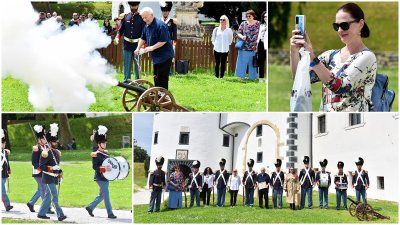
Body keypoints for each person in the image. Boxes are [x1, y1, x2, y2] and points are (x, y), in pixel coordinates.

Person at [290, 3, 376, 112]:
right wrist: (293, 51)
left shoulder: (367, 57)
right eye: (336, 26)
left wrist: (311, 56)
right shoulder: (330, 55)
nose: (340, 30)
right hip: (326, 121)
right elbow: (299, 78)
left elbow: (340, 86)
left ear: (360, 24)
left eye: (344, 25)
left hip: (350, 122)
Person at [135, 7, 174, 90]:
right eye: (143, 18)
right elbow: (143, 38)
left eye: (146, 17)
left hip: (165, 56)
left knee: (162, 78)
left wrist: (151, 48)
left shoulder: (160, 25)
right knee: (156, 77)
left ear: (151, 15)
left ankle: (164, 97)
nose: (144, 19)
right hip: (156, 56)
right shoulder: (146, 26)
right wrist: (138, 48)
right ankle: (158, 95)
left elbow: (163, 41)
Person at [85, 126, 117, 219]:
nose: (105, 144)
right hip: (99, 177)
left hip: (106, 177)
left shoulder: (106, 153)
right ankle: (110, 213)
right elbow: (94, 166)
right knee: (106, 194)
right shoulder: (95, 153)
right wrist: (104, 169)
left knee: (102, 195)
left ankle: (90, 207)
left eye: (105, 142)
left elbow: (108, 164)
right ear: (99, 144)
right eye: (103, 142)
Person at [37, 123, 66, 221]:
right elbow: (42, 166)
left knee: (48, 196)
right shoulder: (45, 153)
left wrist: (59, 172)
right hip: (48, 177)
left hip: (54, 177)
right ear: (49, 142)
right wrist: (52, 169)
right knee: (54, 196)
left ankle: (41, 213)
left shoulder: (56, 152)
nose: (55, 142)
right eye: (53, 141)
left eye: (56, 140)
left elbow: (57, 165)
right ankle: (60, 214)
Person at [114, 2, 145, 82]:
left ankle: (138, 83)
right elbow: (120, 30)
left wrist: (143, 46)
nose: (133, 7)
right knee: (126, 65)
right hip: (127, 45)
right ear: (130, 6)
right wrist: (117, 37)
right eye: (132, 5)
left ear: (137, 6)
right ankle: (126, 82)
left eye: (135, 5)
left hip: (137, 46)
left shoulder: (141, 17)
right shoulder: (125, 16)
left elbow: (144, 33)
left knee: (137, 66)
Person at [27, 125, 54, 214]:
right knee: (44, 189)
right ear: (39, 140)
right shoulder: (36, 149)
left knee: (41, 189)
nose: (45, 140)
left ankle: (31, 203)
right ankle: (47, 208)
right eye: (43, 138)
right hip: (38, 172)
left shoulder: (45, 148)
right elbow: (34, 162)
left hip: (45, 172)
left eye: (45, 138)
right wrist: (42, 169)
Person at [235, 10, 261, 81]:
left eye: (249, 16)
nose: (248, 17)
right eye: (246, 16)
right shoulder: (243, 24)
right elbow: (239, 33)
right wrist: (242, 37)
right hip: (244, 47)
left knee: (253, 63)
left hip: (254, 47)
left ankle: (253, 77)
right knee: (242, 62)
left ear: (253, 16)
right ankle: (241, 77)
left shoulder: (258, 23)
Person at [211, 15, 233, 79]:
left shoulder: (229, 30)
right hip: (217, 48)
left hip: (225, 49)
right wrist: (215, 45)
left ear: (226, 21)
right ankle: (216, 76)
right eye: (220, 19)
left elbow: (230, 40)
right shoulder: (216, 29)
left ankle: (221, 76)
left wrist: (226, 44)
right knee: (217, 63)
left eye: (223, 20)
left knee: (223, 63)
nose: (221, 21)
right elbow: (213, 38)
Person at [1, 129, 13, 211]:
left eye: (4, 143)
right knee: (2, 191)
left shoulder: (5, 152)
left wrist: (9, 169)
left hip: (4, 173)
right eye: (2, 143)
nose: (4, 144)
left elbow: (7, 162)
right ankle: (7, 205)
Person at [257, 11, 267, 82]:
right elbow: (258, 36)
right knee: (261, 61)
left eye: (267, 16)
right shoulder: (261, 25)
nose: (265, 18)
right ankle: (261, 78)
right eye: (264, 16)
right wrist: (256, 45)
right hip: (261, 44)